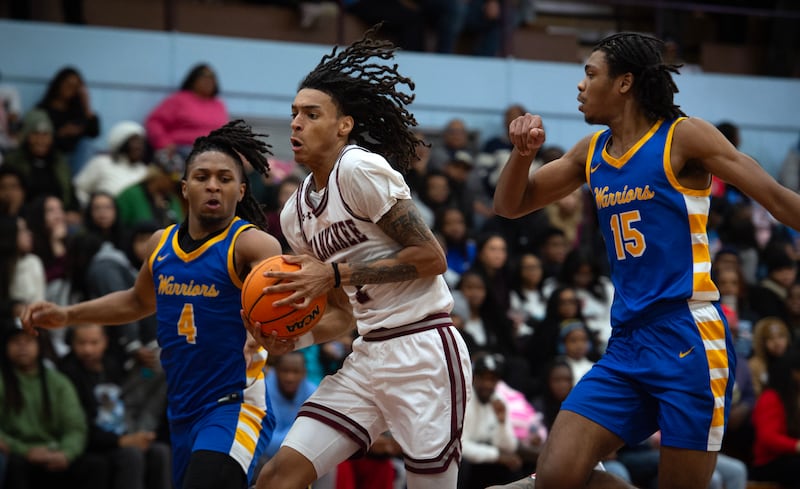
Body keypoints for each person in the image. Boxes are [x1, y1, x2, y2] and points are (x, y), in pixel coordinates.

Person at [492, 31, 800, 489]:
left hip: (689, 336)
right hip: (628, 342)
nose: (579, 85)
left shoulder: (683, 135)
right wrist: (523, 156)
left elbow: (775, 197)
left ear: (624, 83)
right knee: (555, 476)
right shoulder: (591, 151)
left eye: (590, 74)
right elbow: (510, 205)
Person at [250, 27, 472, 489]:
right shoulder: (293, 215)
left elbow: (432, 257)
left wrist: (334, 272)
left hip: (424, 350)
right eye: (293, 114)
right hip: (367, 355)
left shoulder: (359, 169)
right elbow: (340, 313)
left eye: (312, 114)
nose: (296, 123)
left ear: (343, 124)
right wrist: (290, 341)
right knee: (277, 478)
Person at [21, 120, 283, 489]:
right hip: (181, 409)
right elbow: (135, 302)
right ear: (184, 187)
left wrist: (286, 330)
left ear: (241, 191)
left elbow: (285, 304)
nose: (213, 185)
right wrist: (66, 315)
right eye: (202, 176)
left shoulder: (253, 245)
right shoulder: (160, 244)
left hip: (235, 405)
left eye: (225, 179)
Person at [59, 323, 172, 489]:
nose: (88, 350)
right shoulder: (67, 373)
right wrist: (121, 441)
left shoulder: (114, 366)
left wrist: (138, 435)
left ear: (105, 341)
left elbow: (132, 401)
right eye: (82, 343)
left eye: (94, 343)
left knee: (160, 452)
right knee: (131, 455)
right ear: (72, 343)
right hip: (94, 442)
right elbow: (78, 424)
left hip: (125, 432)